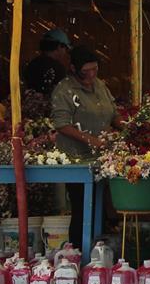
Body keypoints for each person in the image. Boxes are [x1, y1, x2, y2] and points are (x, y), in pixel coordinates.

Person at [51, 45, 123, 245]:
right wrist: (91, 140)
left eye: (95, 70)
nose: (91, 75)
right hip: (77, 158)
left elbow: (113, 113)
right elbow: (62, 124)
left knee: (101, 206)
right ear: (74, 68)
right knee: (82, 206)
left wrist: (127, 127)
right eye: (86, 71)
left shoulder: (100, 85)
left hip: (101, 157)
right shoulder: (64, 90)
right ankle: (79, 252)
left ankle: (98, 251)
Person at [23, 28, 71, 96]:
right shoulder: (58, 68)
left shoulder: (32, 65)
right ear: (59, 46)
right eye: (65, 48)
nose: (65, 52)